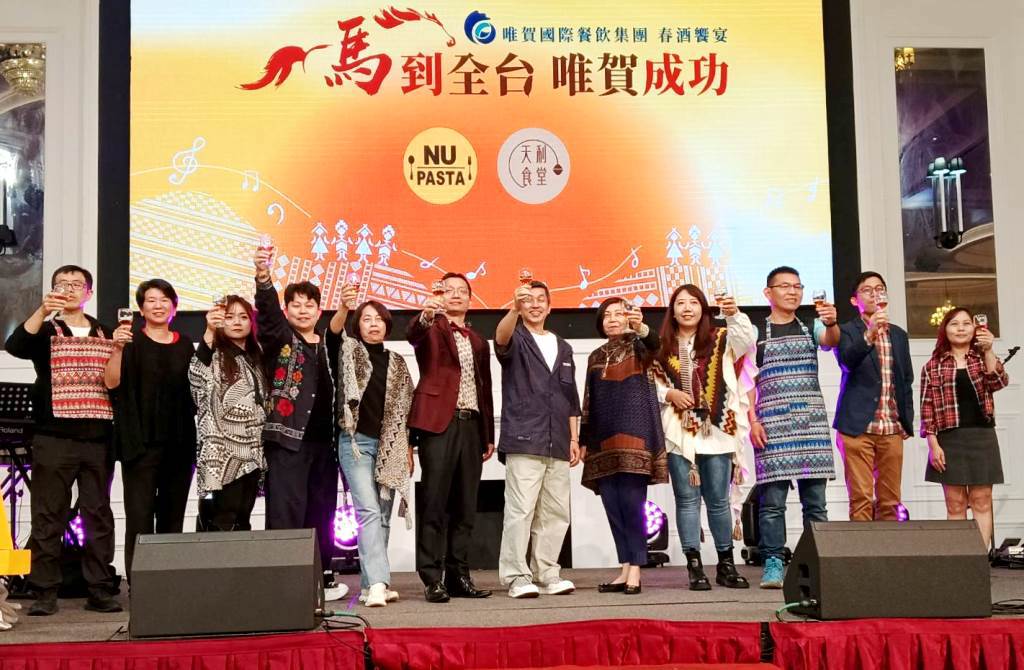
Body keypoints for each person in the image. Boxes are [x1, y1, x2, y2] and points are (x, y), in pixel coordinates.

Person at [5, 266, 121, 615]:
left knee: (97, 515)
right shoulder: (45, 330)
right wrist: (43, 309)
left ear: (89, 292)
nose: (69, 289)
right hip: (53, 438)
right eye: (62, 284)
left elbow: (117, 381)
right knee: (48, 515)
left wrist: (119, 349)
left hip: (97, 438)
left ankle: (99, 588)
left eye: (76, 284)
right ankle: (44, 591)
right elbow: (15, 346)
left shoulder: (107, 332)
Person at [253, 246, 347, 600]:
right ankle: (281, 584)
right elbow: (267, 315)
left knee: (322, 514)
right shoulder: (280, 339)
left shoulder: (328, 345)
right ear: (287, 310)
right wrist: (264, 278)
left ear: (318, 311)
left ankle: (318, 581)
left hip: (326, 446)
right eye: (296, 305)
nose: (303, 310)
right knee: (285, 512)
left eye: (310, 305)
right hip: (287, 443)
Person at [652, 285, 755, 591]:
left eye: (693, 303)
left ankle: (726, 565)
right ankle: (694, 567)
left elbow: (747, 340)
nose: (687, 308)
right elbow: (649, 382)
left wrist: (733, 314)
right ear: (672, 311)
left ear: (703, 308)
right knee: (686, 501)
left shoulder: (721, 338)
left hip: (718, 429)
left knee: (719, 501)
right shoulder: (661, 346)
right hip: (678, 432)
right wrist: (668, 393)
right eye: (680, 303)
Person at [749, 266, 839, 589]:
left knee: (815, 503)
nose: (792, 292)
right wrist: (753, 420)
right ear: (768, 293)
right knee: (772, 504)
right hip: (772, 424)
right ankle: (773, 562)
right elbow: (748, 381)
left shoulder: (813, 326)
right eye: (785, 286)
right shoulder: (756, 333)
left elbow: (830, 341)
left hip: (811, 426)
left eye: (797, 286)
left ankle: (817, 562)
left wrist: (832, 323)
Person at [407, 273, 495, 603]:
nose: (455, 295)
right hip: (437, 425)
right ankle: (432, 578)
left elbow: (485, 389)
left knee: (465, 507)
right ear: (440, 296)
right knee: (434, 503)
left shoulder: (479, 340)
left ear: (470, 299)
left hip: (471, 426)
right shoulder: (430, 327)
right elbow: (413, 333)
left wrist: (488, 434)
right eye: (449, 290)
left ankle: (459, 576)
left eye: (462, 291)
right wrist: (427, 314)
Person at [494, 280, 582, 599]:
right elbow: (500, 338)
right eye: (528, 300)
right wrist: (512, 308)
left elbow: (571, 398)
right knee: (520, 511)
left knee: (556, 512)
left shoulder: (564, 346)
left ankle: (547, 572)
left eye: (540, 299)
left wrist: (574, 437)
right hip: (524, 437)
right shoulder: (515, 336)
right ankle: (516, 576)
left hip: (558, 438)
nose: (534, 305)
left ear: (549, 306)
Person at [105, 279, 196, 579]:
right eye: (151, 300)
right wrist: (117, 349)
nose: (158, 305)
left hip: (179, 445)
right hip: (139, 445)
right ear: (141, 309)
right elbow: (111, 383)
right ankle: (140, 584)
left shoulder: (185, 344)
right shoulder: (129, 341)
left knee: (172, 518)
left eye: (164, 300)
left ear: (174, 307)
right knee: (139, 518)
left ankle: (168, 584)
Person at [330, 294, 414, 608]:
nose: (373, 324)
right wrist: (344, 307)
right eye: (366, 319)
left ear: (387, 326)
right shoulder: (349, 352)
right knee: (367, 511)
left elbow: (406, 409)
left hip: (390, 446)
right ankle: (379, 582)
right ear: (358, 325)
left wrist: (406, 448)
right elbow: (333, 334)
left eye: (379, 319)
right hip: (356, 443)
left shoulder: (398, 362)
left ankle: (370, 585)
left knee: (383, 516)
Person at [581, 298, 667, 595]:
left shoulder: (640, 346)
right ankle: (625, 567)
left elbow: (656, 343)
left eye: (619, 314)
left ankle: (636, 570)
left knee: (632, 506)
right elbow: (588, 400)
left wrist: (640, 327)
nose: (613, 319)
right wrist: (583, 439)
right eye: (607, 315)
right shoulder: (595, 356)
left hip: (635, 436)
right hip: (603, 440)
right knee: (613, 507)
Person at [921, 307, 1008, 549]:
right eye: (954, 324)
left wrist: (988, 350)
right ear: (945, 330)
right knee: (955, 503)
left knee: (982, 500)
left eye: (966, 323)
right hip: (949, 439)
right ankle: (961, 560)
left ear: (974, 328)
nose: (960, 328)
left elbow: (998, 381)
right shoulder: (932, 366)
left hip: (982, 436)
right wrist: (933, 444)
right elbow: (927, 409)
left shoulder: (981, 359)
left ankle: (979, 558)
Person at [834, 272, 914, 521]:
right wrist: (869, 334)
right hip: (857, 428)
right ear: (854, 300)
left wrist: (906, 420)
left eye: (879, 289)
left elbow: (906, 380)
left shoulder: (898, 334)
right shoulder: (846, 331)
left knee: (891, 502)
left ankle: (888, 547)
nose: (875, 294)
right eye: (867, 290)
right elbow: (846, 362)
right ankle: (862, 548)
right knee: (861, 500)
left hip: (891, 427)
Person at [188, 296, 267, 532]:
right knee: (221, 521)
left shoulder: (256, 356)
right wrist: (210, 330)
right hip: (221, 453)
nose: (237, 322)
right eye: (230, 317)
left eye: (243, 317)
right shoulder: (213, 353)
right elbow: (195, 379)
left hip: (252, 452)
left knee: (243, 519)